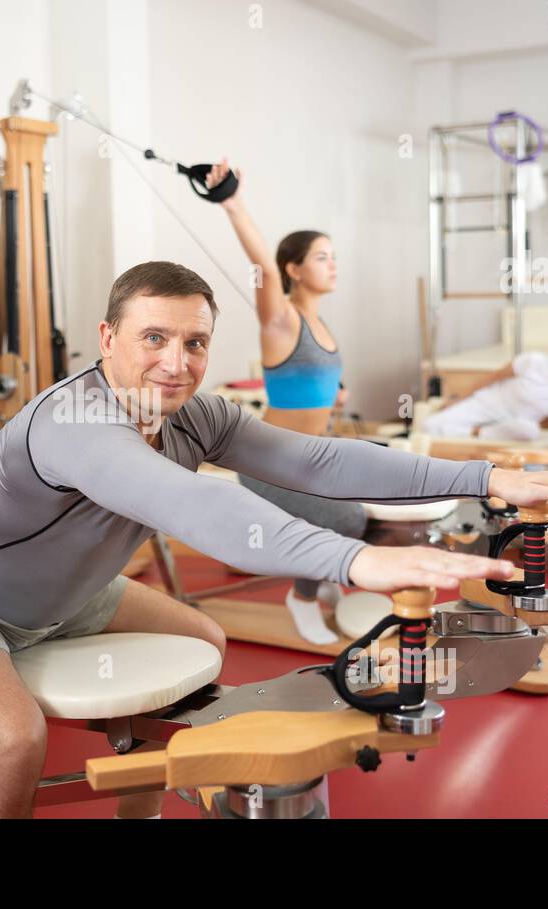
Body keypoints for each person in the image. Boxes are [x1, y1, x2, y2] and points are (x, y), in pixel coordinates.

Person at [0, 261, 548, 819]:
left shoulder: (198, 416)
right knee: (15, 741)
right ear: (107, 336)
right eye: (153, 336)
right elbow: (189, 504)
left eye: (194, 342)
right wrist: (357, 558)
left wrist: (486, 479)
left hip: (69, 600)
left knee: (198, 643)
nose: (175, 360)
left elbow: (319, 459)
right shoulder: (75, 421)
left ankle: (142, 811)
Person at [204, 159, 363, 643]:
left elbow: (311, 385)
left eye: (334, 255)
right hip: (269, 463)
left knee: (380, 493)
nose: (332, 264)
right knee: (348, 517)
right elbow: (263, 271)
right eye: (321, 256)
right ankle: (303, 595)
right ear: (293, 268)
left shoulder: (323, 327)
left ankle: (329, 578)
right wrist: (233, 206)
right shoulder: (283, 320)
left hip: (312, 456)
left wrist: (334, 393)